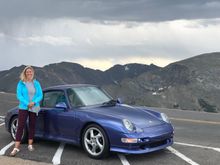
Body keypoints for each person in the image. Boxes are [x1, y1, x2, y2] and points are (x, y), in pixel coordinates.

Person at [10, 66, 43, 156]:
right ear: (25, 73)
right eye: (27, 72)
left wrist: (34, 102)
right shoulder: (21, 83)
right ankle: (16, 148)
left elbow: (40, 95)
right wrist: (27, 103)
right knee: (20, 126)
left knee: (32, 125)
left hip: (34, 107)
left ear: (33, 73)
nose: (29, 73)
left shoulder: (36, 83)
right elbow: (19, 95)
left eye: (30, 72)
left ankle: (30, 145)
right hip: (24, 107)